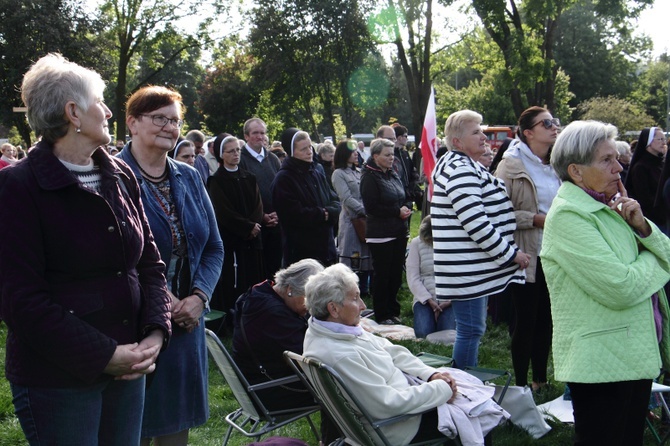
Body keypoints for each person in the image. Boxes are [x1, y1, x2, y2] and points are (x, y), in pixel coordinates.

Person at [0, 53, 171, 445]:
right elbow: (20, 300)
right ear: (73, 112)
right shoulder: (19, 188)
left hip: (130, 368)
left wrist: (155, 333)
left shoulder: (119, 173)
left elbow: (149, 264)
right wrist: (103, 356)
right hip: (58, 380)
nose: (110, 111)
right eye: (100, 101)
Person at [541, 120, 670, 446]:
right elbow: (621, 287)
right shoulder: (570, 215)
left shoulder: (608, 206)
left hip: (632, 353)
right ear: (576, 171)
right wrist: (652, 259)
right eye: (606, 160)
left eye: (617, 157)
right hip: (601, 361)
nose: (618, 167)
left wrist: (642, 227)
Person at [118, 85, 224, 446]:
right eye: (159, 118)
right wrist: (165, 299)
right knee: (132, 428)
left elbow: (213, 246)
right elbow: (116, 257)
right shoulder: (112, 177)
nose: (169, 127)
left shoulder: (190, 176)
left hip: (187, 320)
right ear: (132, 122)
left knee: (176, 428)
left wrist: (199, 297)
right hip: (134, 320)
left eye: (175, 121)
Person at [303, 263, 458, 445]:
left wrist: (430, 374)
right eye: (355, 298)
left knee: (468, 398)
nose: (363, 305)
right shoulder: (340, 355)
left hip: (405, 401)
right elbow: (386, 405)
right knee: (475, 413)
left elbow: (389, 349)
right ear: (334, 309)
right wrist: (441, 388)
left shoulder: (329, 329)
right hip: (397, 428)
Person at [431, 110, 529, 368]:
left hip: (469, 266)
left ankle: (464, 388)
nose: (484, 136)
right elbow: (476, 223)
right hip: (467, 269)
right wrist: (510, 254)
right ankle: (465, 392)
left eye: (482, 130)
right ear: (457, 142)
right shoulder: (460, 170)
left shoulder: (460, 165)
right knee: (471, 330)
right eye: (476, 132)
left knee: (471, 329)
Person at [494, 106, 561, 389]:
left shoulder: (558, 163)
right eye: (546, 123)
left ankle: (540, 380)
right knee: (526, 321)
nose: (553, 126)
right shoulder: (510, 165)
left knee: (547, 318)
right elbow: (498, 212)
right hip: (526, 253)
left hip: (555, 252)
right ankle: (521, 384)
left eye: (554, 121)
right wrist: (535, 219)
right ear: (529, 132)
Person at [232, 259, 324, 410]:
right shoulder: (273, 314)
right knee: (339, 387)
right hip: (270, 392)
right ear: (290, 289)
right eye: (309, 299)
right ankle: (342, 434)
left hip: (258, 383)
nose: (311, 307)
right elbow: (311, 357)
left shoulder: (261, 294)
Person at [208, 134, 264, 319]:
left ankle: (253, 312)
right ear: (221, 154)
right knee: (234, 277)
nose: (236, 154)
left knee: (252, 274)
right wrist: (247, 227)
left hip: (252, 237)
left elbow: (258, 205)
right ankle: (235, 314)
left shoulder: (249, 177)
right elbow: (224, 211)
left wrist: (254, 225)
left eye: (238, 150)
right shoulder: (216, 180)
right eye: (230, 151)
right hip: (232, 237)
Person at [360, 138, 412, 325]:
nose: (392, 158)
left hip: (398, 231)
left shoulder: (393, 173)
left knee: (395, 275)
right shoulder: (369, 176)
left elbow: (403, 195)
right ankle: (382, 313)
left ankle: (393, 310)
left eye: (392, 154)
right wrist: (396, 211)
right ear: (375, 156)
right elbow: (371, 207)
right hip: (381, 234)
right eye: (387, 155)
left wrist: (406, 207)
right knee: (383, 275)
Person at [271, 128, 340, 266]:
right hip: (302, 252)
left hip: (326, 248)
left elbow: (335, 201)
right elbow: (292, 214)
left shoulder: (316, 172)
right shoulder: (284, 179)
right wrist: (322, 214)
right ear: (291, 152)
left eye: (310, 147)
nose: (309, 152)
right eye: (303, 149)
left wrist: (329, 212)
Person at [238, 117, 283, 280]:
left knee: (276, 271)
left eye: (262, 133)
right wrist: (262, 216)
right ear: (246, 136)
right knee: (257, 274)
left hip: (276, 226)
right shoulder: (240, 160)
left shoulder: (273, 159)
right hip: (255, 227)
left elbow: (281, 189)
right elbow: (242, 195)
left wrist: (278, 212)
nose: (260, 136)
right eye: (255, 133)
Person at [331, 139, 372, 295]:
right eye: (352, 151)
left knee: (366, 253)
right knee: (353, 255)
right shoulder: (338, 174)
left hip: (365, 219)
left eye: (356, 151)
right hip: (351, 220)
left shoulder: (359, 171)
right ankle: (350, 290)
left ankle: (365, 289)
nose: (356, 153)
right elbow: (346, 198)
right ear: (344, 153)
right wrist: (364, 210)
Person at [406, 216, 456, 339]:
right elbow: (413, 278)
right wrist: (429, 300)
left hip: (449, 298)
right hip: (424, 297)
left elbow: (458, 276)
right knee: (424, 333)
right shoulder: (416, 243)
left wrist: (449, 301)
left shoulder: (453, 243)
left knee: (447, 333)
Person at [625, 127, 667, 228]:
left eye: (664, 139)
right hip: (653, 222)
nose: (663, 143)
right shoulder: (640, 167)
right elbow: (644, 198)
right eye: (660, 139)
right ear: (648, 142)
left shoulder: (661, 164)